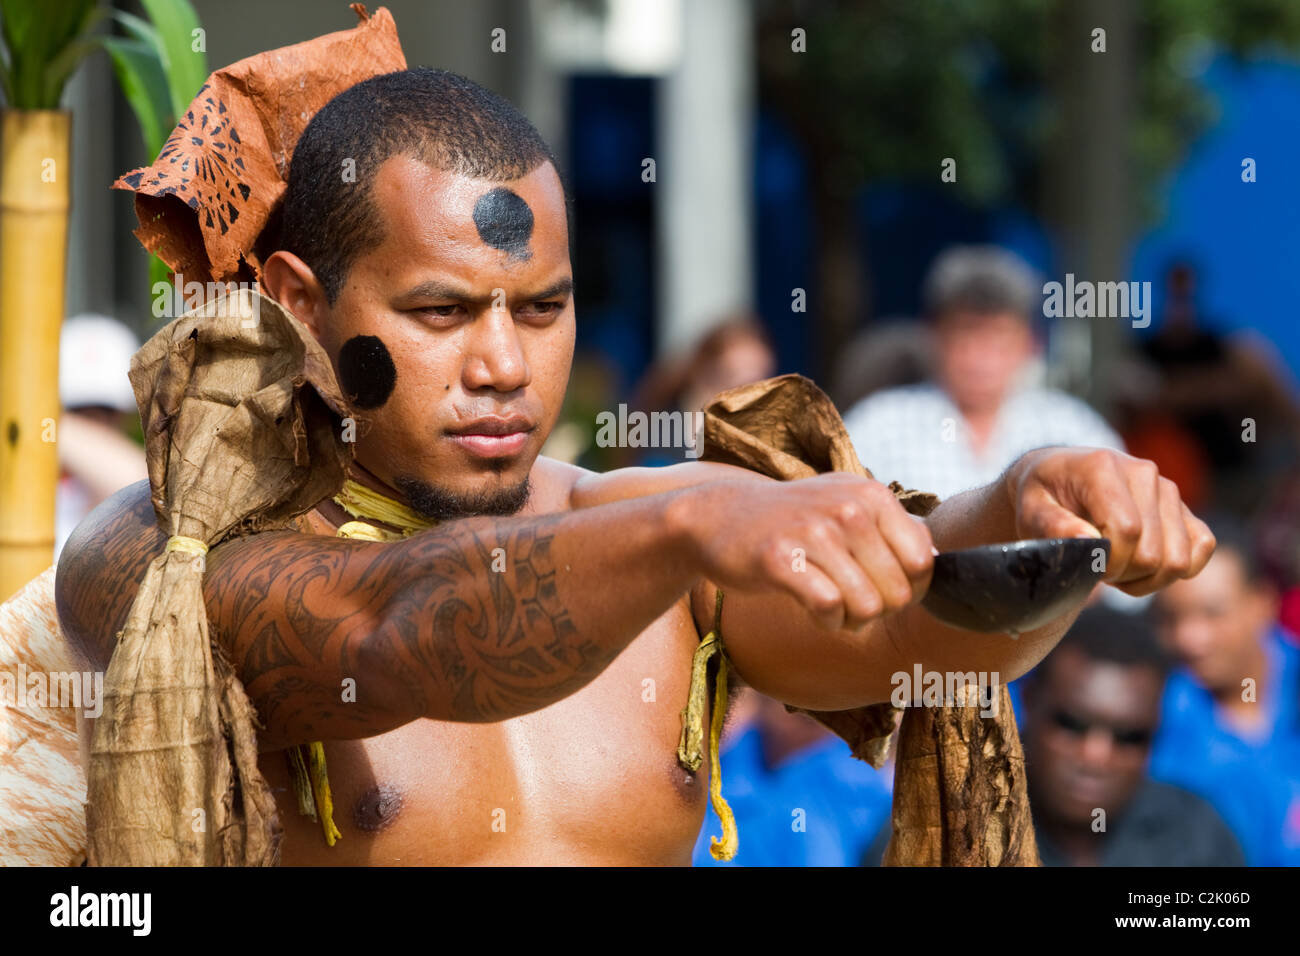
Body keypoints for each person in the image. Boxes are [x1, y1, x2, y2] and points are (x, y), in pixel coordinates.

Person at [56, 68, 1213, 866]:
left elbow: (918, 637)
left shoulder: (654, 523)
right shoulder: (164, 557)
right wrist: (690, 528)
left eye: (544, 308)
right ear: (300, 305)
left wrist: (1026, 508)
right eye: (441, 310)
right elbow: (391, 632)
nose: (503, 364)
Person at [842, 246, 1123, 500]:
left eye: (998, 339)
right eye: (966, 335)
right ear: (934, 336)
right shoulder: (878, 427)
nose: (980, 358)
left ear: (1030, 343)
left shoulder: (1075, 430)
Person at [1018, 607, 1243, 866]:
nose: (1095, 758)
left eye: (1129, 738)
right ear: (1029, 700)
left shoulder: (1198, 837)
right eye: (1072, 725)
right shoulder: (971, 826)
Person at [1148, 519, 1300, 865]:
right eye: (1171, 618)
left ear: (1263, 603)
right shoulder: (1154, 715)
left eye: (1212, 614)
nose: (1189, 637)